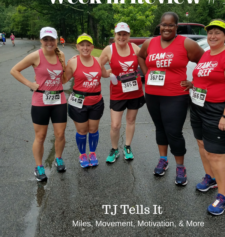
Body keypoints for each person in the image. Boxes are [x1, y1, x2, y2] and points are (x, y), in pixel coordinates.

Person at [138, 12, 204, 185]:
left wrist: (194, 82)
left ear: (177, 27)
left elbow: (205, 61)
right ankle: (163, 159)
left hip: (176, 96)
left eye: (171, 25)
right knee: (159, 128)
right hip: (152, 95)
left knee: (174, 132)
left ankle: (180, 166)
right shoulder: (149, 43)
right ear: (159, 25)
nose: (166, 28)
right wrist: (146, 73)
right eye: (163, 24)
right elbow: (140, 56)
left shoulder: (186, 43)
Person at [188, 19, 225, 215]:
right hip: (198, 106)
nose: (212, 36)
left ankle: (224, 197)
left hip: (219, 110)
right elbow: (205, 78)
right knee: (202, 145)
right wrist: (192, 85)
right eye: (210, 32)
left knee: (216, 153)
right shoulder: (206, 55)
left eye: (218, 33)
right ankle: (210, 178)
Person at [10, 27, 67, 182]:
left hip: (59, 100)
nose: (49, 42)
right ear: (41, 40)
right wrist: (30, 84)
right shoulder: (36, 55)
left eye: (52, 39)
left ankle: (59, 159)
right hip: (40, 100)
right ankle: (39, 166)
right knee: (40, 136)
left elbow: (63, 78)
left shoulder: (61, 54)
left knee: (60, 134)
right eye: (46, 39)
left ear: (56, 40)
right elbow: (14, 70)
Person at [99, 22, 145, 162]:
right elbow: (98, 64)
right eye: (119, 34)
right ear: (115, 35)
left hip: (135, 91)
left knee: (131, 120)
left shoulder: (135, 48)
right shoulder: (109, 49)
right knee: (115, 125)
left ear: (129, 35)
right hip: (118, 92)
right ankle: (114, 149)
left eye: (125, 34)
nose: (121, 37)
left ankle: (127, 146)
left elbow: (147, 62)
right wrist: (106, 73)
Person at [64, 33, 110, 168]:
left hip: (96, 101)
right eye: (82, 45)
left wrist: (121, 71)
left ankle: (93, 153)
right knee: (82, 130)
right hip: (78, 103)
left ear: (92, 47)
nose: (85, 48)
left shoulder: (98, 60)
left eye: (88, 45)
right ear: (77, 47)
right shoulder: (73, 62)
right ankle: (82, 154)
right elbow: (63, 80)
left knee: (93, 129)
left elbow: (105, 74)